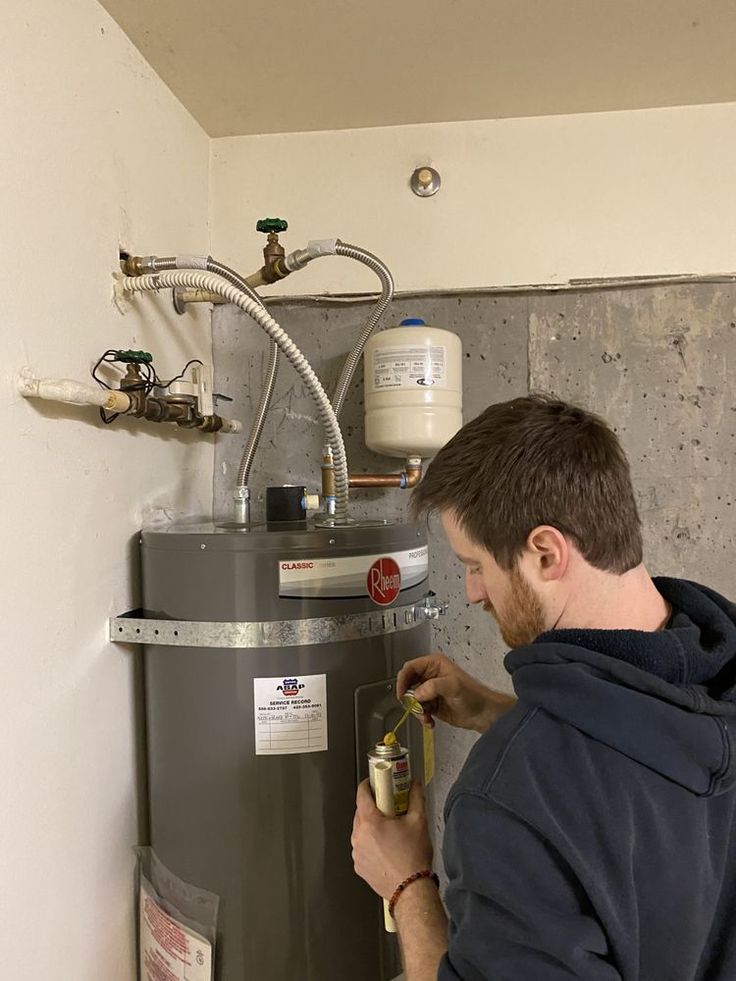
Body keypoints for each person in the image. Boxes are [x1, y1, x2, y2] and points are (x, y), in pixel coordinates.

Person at [351, 394, 736, 981]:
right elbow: (652, 774)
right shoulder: (715, 685)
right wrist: (496, 712)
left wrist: (407, 884)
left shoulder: (508, 802)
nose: (474, 592)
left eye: (475, 564)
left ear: (546, 552)